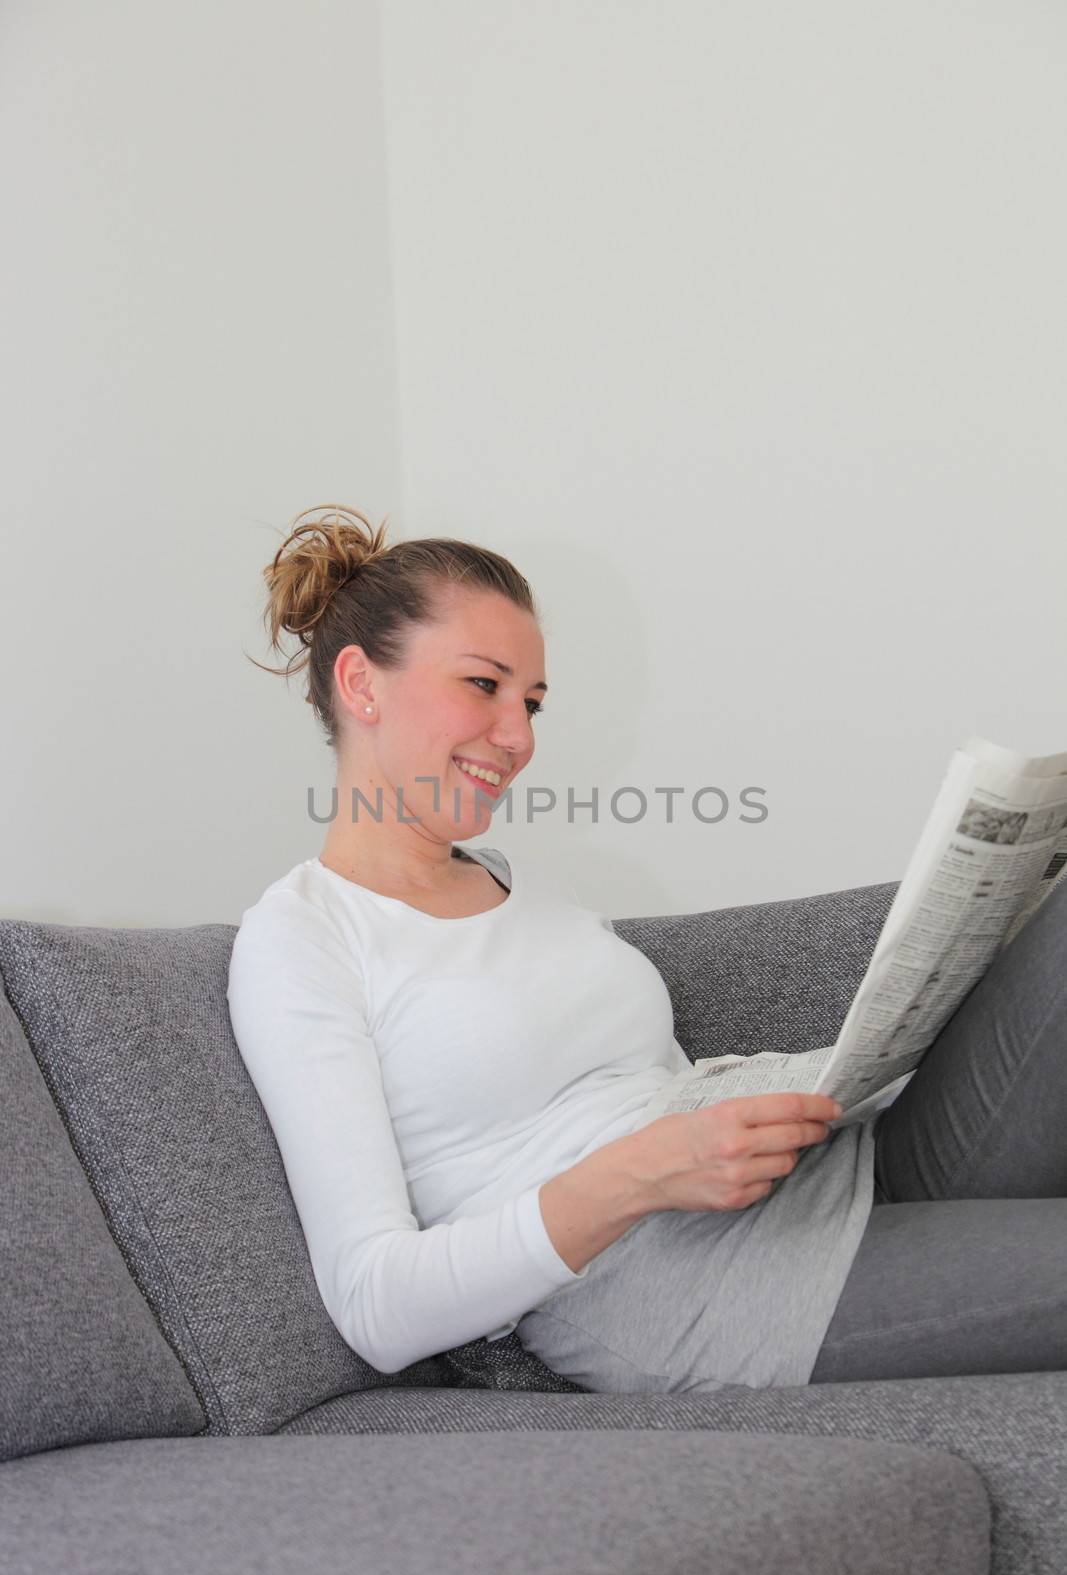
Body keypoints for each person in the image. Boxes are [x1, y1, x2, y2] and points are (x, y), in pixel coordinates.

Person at [226, 503, 1067, 1394]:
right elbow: (374, 1304)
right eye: (484, 686)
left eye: (532, 702)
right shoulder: (302, 938)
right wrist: (634, 1175)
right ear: (362, 685)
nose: (519, 738)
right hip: (688, 1288)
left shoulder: (519, 885)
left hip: (830, 1163)